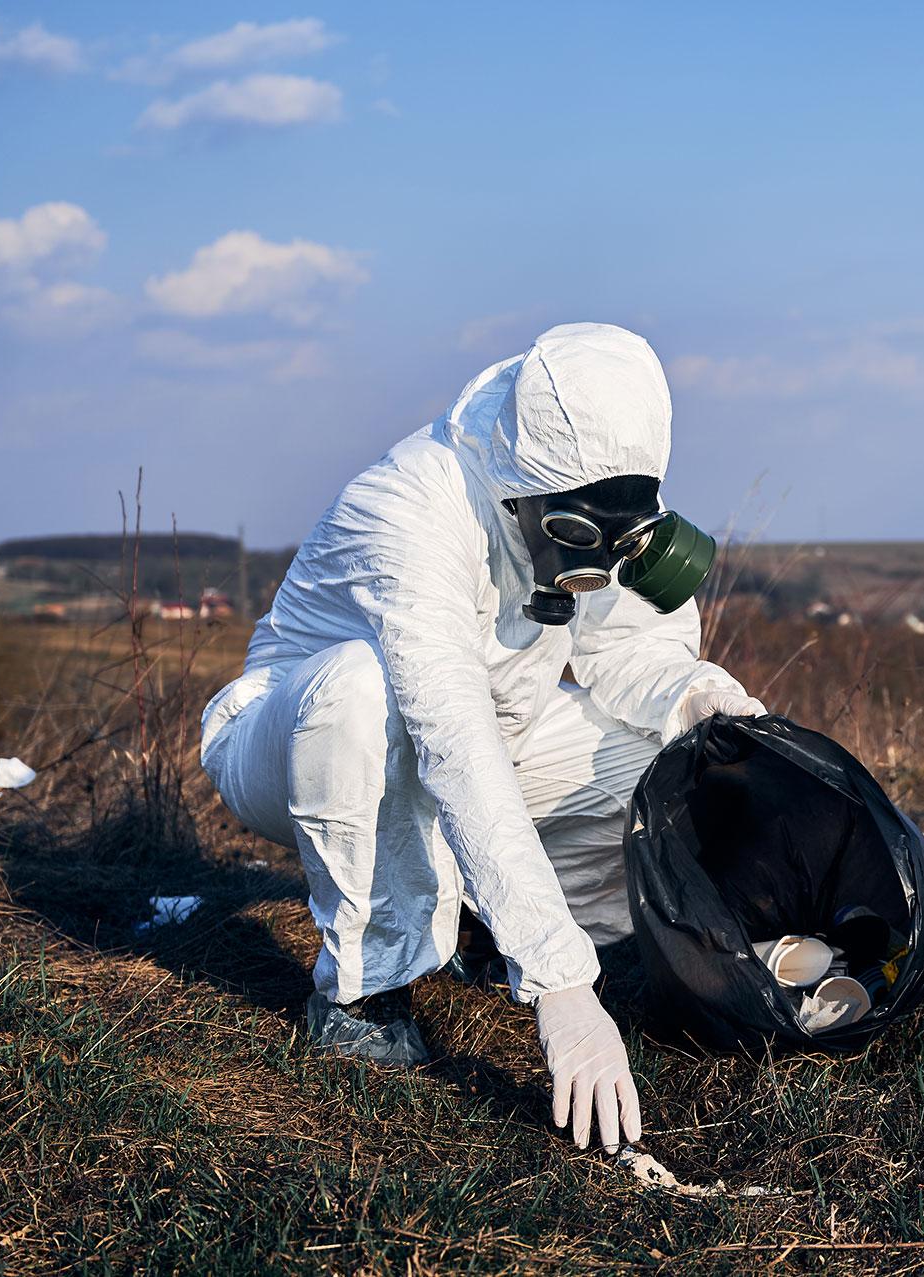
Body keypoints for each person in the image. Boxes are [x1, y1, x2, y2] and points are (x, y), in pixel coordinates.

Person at [200, 323, 764, 1153]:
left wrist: (699, 698)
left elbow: (627, 650)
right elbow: (450, 738)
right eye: (575, 535)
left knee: (661, 763)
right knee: (363, 690)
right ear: (524, 493)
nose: (594, 560)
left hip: (483, 738)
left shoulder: (598, 501)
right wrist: (563, 989)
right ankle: (364, 987)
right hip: (293, 738)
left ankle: (478, 922)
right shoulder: (410, 508)